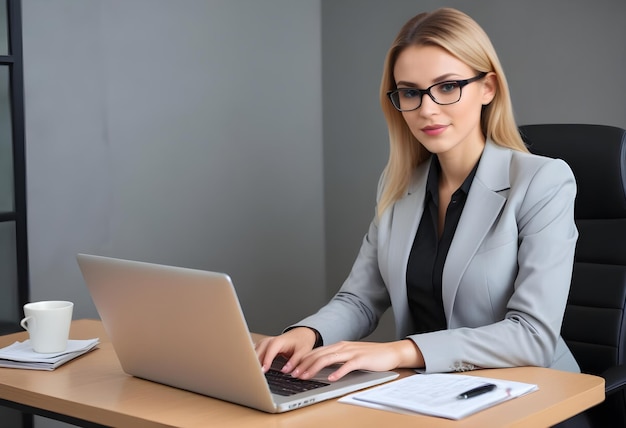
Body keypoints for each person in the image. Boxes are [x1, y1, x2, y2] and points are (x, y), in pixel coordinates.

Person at [255, 7, 580, 383]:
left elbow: (533, 335)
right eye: (410, 92)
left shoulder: (543, 181)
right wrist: (307, 334)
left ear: (487, 88)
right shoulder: (399, 185)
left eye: (447, 87)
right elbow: (359, 300)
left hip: (532, 394)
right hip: (427, 392)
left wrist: (399, 351)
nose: (426, 109)